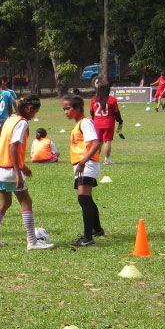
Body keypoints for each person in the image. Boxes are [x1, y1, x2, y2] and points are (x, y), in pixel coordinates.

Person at [0, 94, 55, 250]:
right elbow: (14, 147)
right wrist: (18, 172)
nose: (34, 115)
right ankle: (32, 241)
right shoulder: (22, 123)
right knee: (26, 201)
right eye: (34, 112)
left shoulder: (10, 119)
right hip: (10, 170)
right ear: (30, 109)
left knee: (4, 203)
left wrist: (23, 167)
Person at [63, 95, 104, 247]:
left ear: (78, 108)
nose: (65, 112)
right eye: (64, 109)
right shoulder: (79, 124)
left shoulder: (85, 123)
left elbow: (96, 143)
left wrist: (83, 162)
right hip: (83, 164)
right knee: (87, 198)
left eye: (68, 108)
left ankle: (87, 238)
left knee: (83, 198)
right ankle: (97, 229)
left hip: (86, 165)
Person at [89, 83, 123, 165]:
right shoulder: (112, 100)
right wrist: (120, 121)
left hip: (97, 123)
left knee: (98, 142)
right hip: (108, 123)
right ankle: (107, 160)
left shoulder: (93, 99)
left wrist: (95, 119)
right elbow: (116, 112)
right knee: (107, 141)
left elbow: (91, 112)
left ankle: (95, 159)